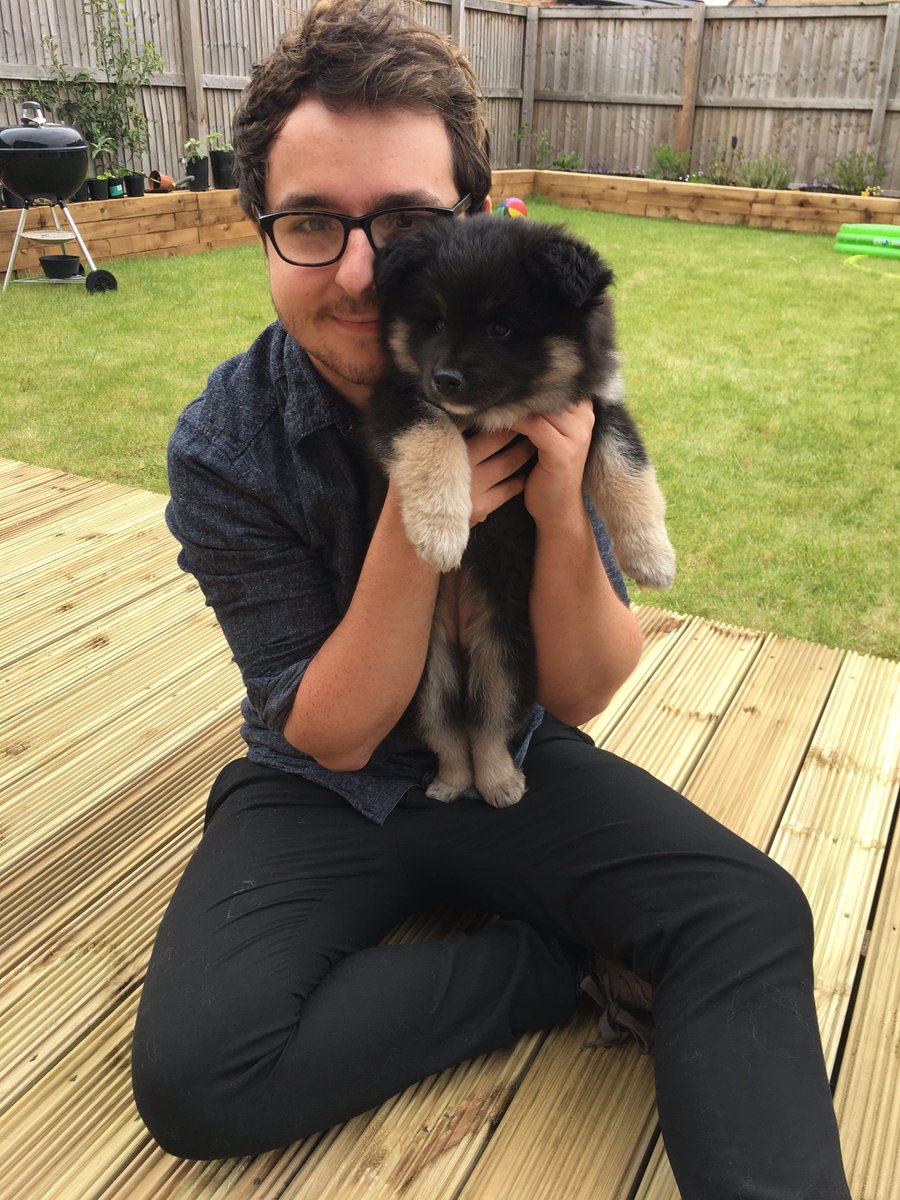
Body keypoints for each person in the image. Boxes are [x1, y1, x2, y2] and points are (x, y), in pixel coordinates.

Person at [131, 2, 851, 1195]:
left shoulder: (535, 373)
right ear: (261, 230)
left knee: (749, 913)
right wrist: (423, 523)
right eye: (311, 223)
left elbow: (583, 692)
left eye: (407, 223)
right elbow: (329, 732)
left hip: (508, 743)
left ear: (473, 223)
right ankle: (554, 963)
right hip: (318, 785)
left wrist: (563, 508)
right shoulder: (225, 444)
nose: (362, 274)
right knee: (201, 1072)